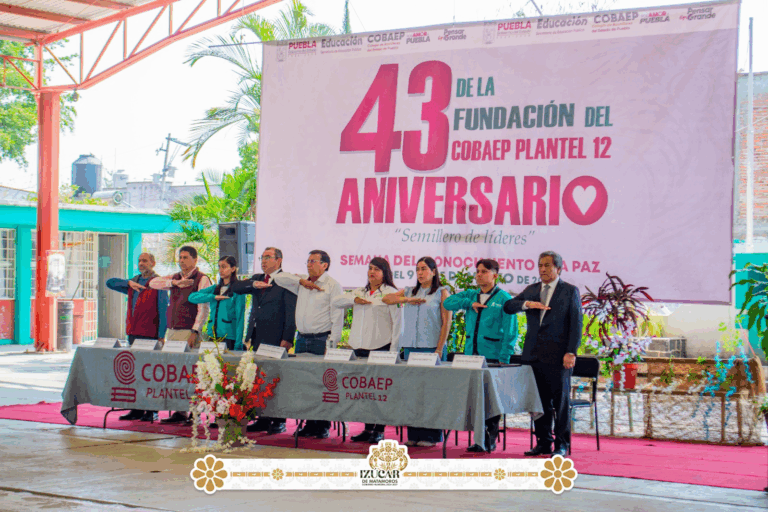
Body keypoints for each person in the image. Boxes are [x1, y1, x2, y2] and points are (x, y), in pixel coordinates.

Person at [503, 251, 582, 457]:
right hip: (533, 356)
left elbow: (576, 324)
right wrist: (527, 304)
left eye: (547, 265)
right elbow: (508, 306)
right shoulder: (532, 290)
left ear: (558, 268)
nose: (543, 269)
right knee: (539, 403)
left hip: (558, 358)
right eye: (540, 265)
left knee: (560, 403)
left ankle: (562, 445)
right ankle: (543, 442)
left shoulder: (569, 291)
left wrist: (571, 352)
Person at [443, 258, 517, 453]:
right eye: (477, 271)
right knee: (475, 398)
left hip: (492, 356)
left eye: (484, 271)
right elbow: (448, 303)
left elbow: (511, 331)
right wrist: (469, 303)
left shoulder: (504, 298)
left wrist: (505, 356)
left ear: (495, 275)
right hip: (470, 355)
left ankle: (489, 438)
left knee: (490, 399)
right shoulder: (471, 294)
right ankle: (478, 438)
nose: (479, 275)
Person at [272, 249, 344, 439]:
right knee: (303, 383)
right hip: (302, 338)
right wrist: (300, 281)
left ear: (325, 265)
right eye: (308, 261)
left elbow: (337, 317)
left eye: (313, 261)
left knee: (321, 384)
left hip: (322, 340)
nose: (309, 264)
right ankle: (307, 424)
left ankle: (321, 426)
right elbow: (278, 278)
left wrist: (333, 345)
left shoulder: (332, 285)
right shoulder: (302, 283)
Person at [383, 256, 452, 447]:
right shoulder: (409, 291)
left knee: (431, 393)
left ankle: (431, 435)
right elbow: (386, 298)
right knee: (411, 393)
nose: (420, 273)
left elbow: (447, 322)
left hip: (431, 348)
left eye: (424, 269)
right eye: (417, 269)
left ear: (433, 271)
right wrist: (407, 299)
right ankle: (413, 434)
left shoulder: (441, 292)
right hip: (411, 348)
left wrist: (439, 348)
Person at [332, 257, 401, 444]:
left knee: (379, 392)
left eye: (377, 269)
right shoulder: (360, 291)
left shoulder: (390, 293)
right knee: (363, 392)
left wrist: (394, 350)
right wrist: (353, 299)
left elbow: (397, 324)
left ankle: (379, 430)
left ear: (385, 272)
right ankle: (367, 429)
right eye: (370, 268)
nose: (372, 272)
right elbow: (337, 301)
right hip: (359, 348)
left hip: (381, 348)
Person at [231, 246, 297, 434]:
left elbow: (291, 311)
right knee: (257, 378)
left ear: (279, 260)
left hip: (276, 337)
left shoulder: (286, 280)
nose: (264, 261)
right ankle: (261, 417)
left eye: (268, 257)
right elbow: (236, 287)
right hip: (256, 336)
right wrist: (253, 285)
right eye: (262, 257)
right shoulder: (258, 279)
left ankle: (278, 420)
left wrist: (288, 337)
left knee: (275, 379)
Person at [149, 245, 211, 424]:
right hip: (173, 331)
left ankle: (196, 414)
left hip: (188, 331)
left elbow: (203, 308)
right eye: (180, 257)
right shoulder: (175, 277)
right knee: (175, 373)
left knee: (192, 374)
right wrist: (174, 283)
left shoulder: (202, 278)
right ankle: (180, 412)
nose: (181, 261)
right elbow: (153, 283)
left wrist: (195, 331)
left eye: (185, 257)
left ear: (195, 259)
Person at [106, 252, 168, 422]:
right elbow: (109, 283)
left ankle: (151, 410)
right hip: (133, 334)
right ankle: (136, 409)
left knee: (150, 374)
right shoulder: (134, 282)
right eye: (140, 261)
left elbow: (164, 310)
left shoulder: (158, 283)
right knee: (135, 374)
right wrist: (128, 283)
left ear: (153, 263)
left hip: (150, 334)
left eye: (145, 261)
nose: (142, 263)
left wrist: (162, 335)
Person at [188, 256, 246, 351]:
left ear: (233, 269)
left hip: (229, 338)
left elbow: (240, 318)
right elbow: (192, 297)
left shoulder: (238, 289)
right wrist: (213, 297)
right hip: (212, 336)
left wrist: (238, 343)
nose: (220, 270)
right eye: (219, 267)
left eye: (224, 267)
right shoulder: (214, 288)